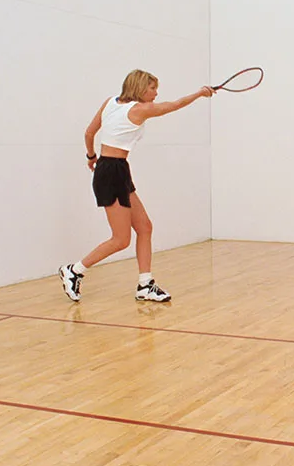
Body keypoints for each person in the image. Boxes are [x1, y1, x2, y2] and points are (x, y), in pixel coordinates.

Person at [58, 70, 213, 303]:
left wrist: (91, 156)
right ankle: (74, 270)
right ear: (141, 88)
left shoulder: (110, 102)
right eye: (152, 88)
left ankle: (145, 285)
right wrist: (200, 93)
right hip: (113, 173)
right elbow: (175, 105)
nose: (156, 93)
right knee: (120, 240)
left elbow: (89, 132)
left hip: (114, 169)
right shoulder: (141, 109)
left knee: (145, 227)